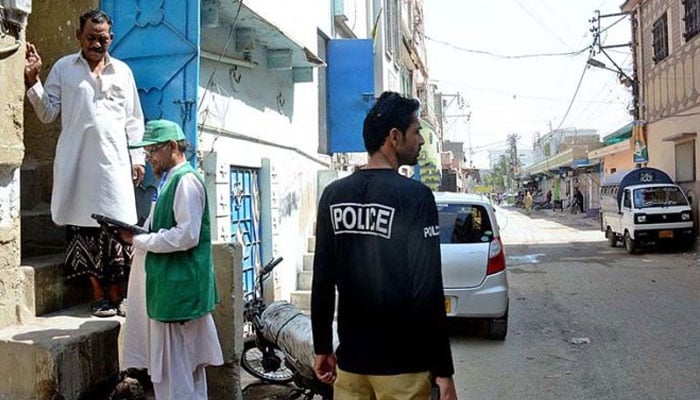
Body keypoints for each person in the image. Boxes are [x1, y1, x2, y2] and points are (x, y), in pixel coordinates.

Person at [311, 92, 457, 400]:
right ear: (394, 137)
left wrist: (322, 347)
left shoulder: (333, 196)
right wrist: (443, 370)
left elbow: (322, 279)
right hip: (402, 368)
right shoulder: (415, 197)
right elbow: (428, 288)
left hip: (351, 365)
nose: (421, 141)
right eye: (416, 131)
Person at [25, 9, 145, 317]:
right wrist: (33, 81)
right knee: (82, 229)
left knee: (118, 230)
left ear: (111, 39)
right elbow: (48, 112)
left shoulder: (123, 72)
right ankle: (98, 296)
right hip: (76, 163)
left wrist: (137, 158)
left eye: (103, 38)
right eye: (91, 37)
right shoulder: (65, 68)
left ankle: (120, 296)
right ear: (79, 36)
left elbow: (134, 121)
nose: (97, 44)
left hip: (115, 165)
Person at [118, 120, 223, 399]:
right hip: (170, 292)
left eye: (152, 150)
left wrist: (138, 240)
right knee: (181, 374)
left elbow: (185, 234)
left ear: (173, 147)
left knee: (175, 374)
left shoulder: (185, 181)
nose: (148, 156)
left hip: (179, 294)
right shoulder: (167, 182)